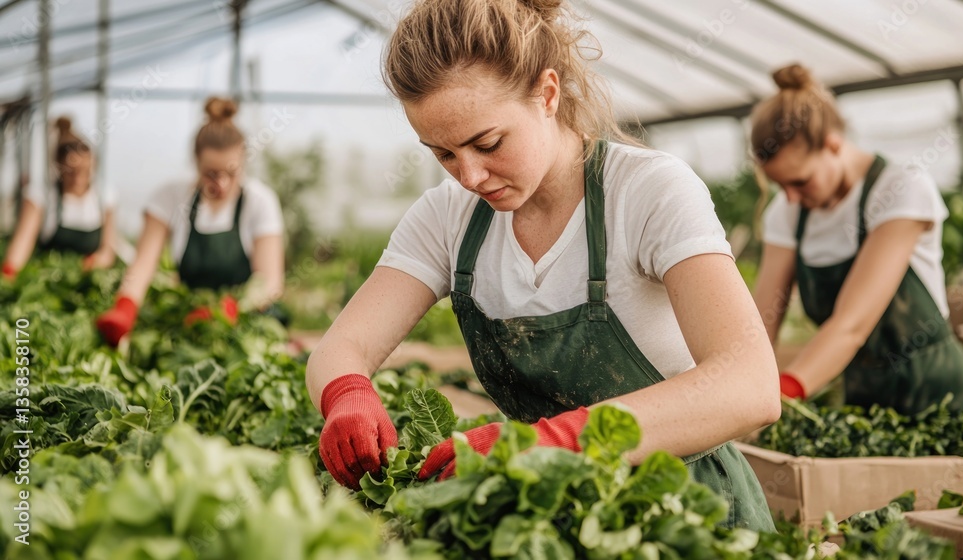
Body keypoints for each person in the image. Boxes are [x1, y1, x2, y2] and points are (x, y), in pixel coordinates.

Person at [306, 0, 779, 531]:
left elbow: (749, 386)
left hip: (685, 518)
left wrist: (551, 442)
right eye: (442, 154)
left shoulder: (647, 192)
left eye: (487, 143)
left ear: (547, 94)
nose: (470, 175)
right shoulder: (448, 218)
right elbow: (341, 347)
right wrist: (347, 392)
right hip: (541, 522)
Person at [751, 64, 963, 415]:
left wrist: (781, 394)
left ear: (833, 144)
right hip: (864, 409)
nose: (791, 197)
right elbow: (758, 326)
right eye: (780, 186)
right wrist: (738, 385)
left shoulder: (899, 190)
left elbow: (851, 326)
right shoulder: (786, 213)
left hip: (941, 401)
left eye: (800, 181)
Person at [94, 98, 285, 347]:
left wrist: (225, 311)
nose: (222, 184)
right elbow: (142, 265)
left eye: (231, 172)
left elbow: (269, 282)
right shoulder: (171, 198)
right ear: (196, 163)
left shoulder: (259, 202)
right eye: (211, 174)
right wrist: (126, 306)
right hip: (188, 323)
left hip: (247, 329)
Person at [2, 117, 117, 279]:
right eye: (71, 172)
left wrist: (90, 265)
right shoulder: (41, 195)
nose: (78, 179)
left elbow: (108, 250)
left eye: (84, 171)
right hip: (46, 276)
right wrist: (9, 273)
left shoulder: (104, 196)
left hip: (88, 277)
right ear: (59, 167)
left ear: (93, 165)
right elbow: (23, 242)